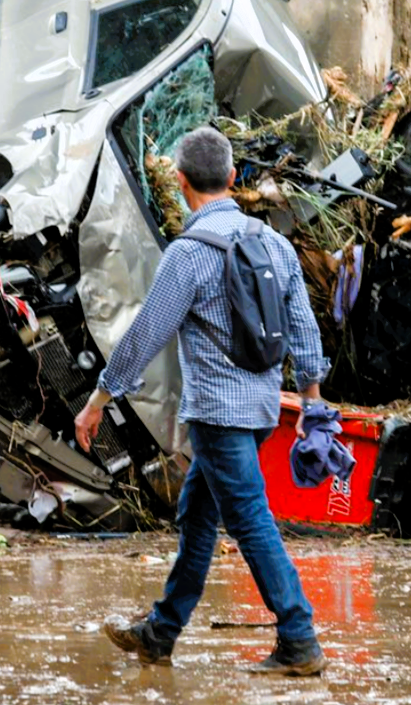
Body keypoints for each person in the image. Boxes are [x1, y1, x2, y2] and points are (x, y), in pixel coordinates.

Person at [74, 126, 330, 676]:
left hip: (217, 417)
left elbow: (144, 335)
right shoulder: (274, 243)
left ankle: (300, 639)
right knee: (197, 515)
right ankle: (160, 633)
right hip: (262, 412)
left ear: (182, 182)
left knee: (251, 521)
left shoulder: (187, 254)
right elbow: (305, 331)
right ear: (234, 179)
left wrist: (98, 400)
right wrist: (313, 406)